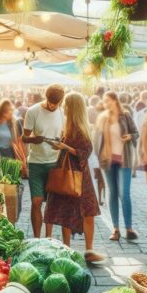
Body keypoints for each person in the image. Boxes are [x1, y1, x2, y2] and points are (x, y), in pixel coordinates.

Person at [43, 92, 107, 264]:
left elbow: (85, 152)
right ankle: (68, 248)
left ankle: (88, 249)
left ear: (73, 107)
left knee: (88, 211)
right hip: (68, 173)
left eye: (67, 104)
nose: (64, 106)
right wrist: (60, 144)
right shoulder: (69, 125)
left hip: (78, 175)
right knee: (67, 211)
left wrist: (64, 146)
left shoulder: (80, 128)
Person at [95, 91, 140, 241]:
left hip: (124, 160)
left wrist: (130, 136)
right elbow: (97, 140)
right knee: (112, 192)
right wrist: (98, 157)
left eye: (108, 100)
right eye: (104, 101)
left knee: (124, 193)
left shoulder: (125, 115)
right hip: (107, 160)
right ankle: (115, 229)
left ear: (115, 100)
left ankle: (129, 228)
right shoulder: (102, 118)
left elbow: (135, 133)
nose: (105, 103)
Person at [23, 85, 66, 238]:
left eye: (56, 103)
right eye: (50, 103)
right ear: (46, 98)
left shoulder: (63, 113)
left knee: (51, 204)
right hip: (35, 162)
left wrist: (61, 143)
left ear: (61, 100)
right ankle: (37, 238)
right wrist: (34, 139)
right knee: (36, 201)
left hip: (54, 163)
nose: (53, 106)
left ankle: (48, 238)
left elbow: (65, 137)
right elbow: (24, 137)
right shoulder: (33, 111)